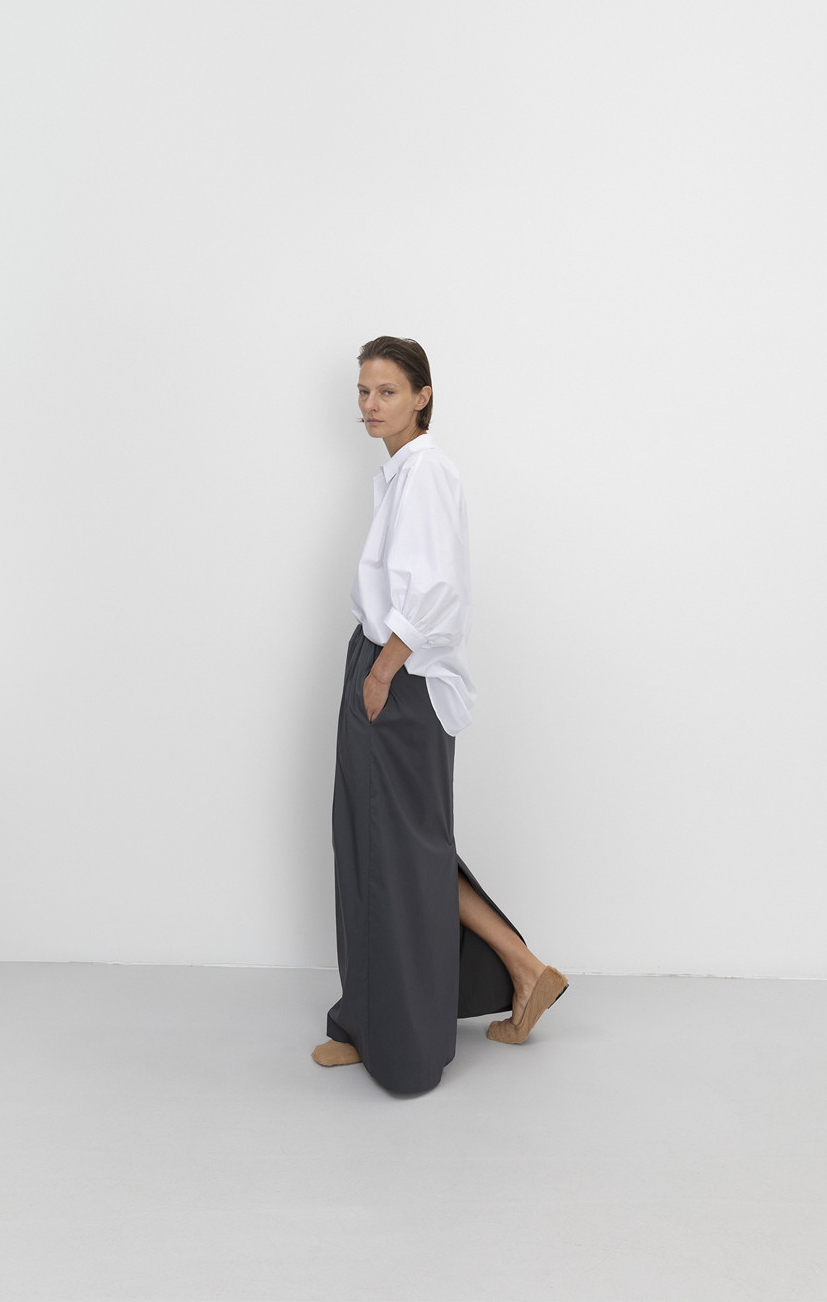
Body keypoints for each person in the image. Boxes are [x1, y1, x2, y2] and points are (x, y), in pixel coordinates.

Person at [311, 336, 568, 1093]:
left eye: (386, 391)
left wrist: (382, 669)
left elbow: (436, 591)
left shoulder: (424, 471)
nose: (370, 405)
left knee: (400, 854)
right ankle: (511, 975)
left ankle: (406, 1045)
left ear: (422, 396)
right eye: (363, 391)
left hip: (401, 674)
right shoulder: (400, 474)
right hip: (387, 665)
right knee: (383, 848)